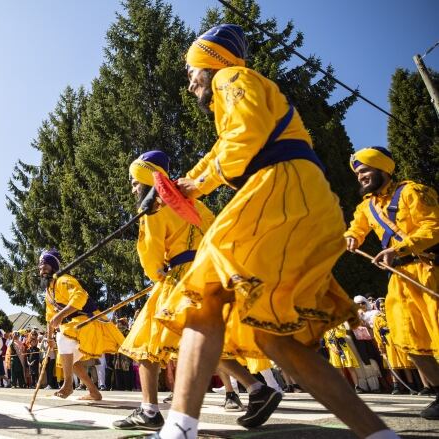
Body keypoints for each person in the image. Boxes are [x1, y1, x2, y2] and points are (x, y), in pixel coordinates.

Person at [154, 25, 393, 439]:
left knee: (204, 295)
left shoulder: (232, 78)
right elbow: (222, 150)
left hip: (282, 188)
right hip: (310, 202)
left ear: (210, 62)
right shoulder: (245, 91)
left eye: (192, 69)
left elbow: (244, 137)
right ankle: (380, 434)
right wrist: (177, 188)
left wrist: (194, 186)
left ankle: (178, 430)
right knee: (276, 339)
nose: (189, 79)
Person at [114, 151, 214, 430]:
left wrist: (157, 273)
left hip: (178, 277)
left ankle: (149, 411)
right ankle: (257, 388)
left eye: (135, 181)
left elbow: (151, 253)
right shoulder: (194, 202)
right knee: (204, 338)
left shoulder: (154, 206)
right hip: (205, 274)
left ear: (147, 178)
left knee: (146, 341)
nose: (133, 187)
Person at [345, 146, 439, 419]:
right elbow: (356, 226)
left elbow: (433, 227)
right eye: (358, 173)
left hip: (428, 270)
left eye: (365, 171)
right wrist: (351, 236)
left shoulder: (413, 192)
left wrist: (399, 249)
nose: (361, 177)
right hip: (399, 279)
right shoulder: (366, 207)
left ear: (382, 169)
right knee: (406, 339)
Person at [40, 249, 125, 401]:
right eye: (40, 266)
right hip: (77, 327)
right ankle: (94, 392)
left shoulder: (64, 280)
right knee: (69, 360)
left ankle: (68, 385)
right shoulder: (48, 291)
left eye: (45, 265)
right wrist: (49, 338)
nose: (42, 269)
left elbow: (80, 297)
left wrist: (61, 315)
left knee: (63, 337)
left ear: (53, 266)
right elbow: (49, 317)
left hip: (89, 322)